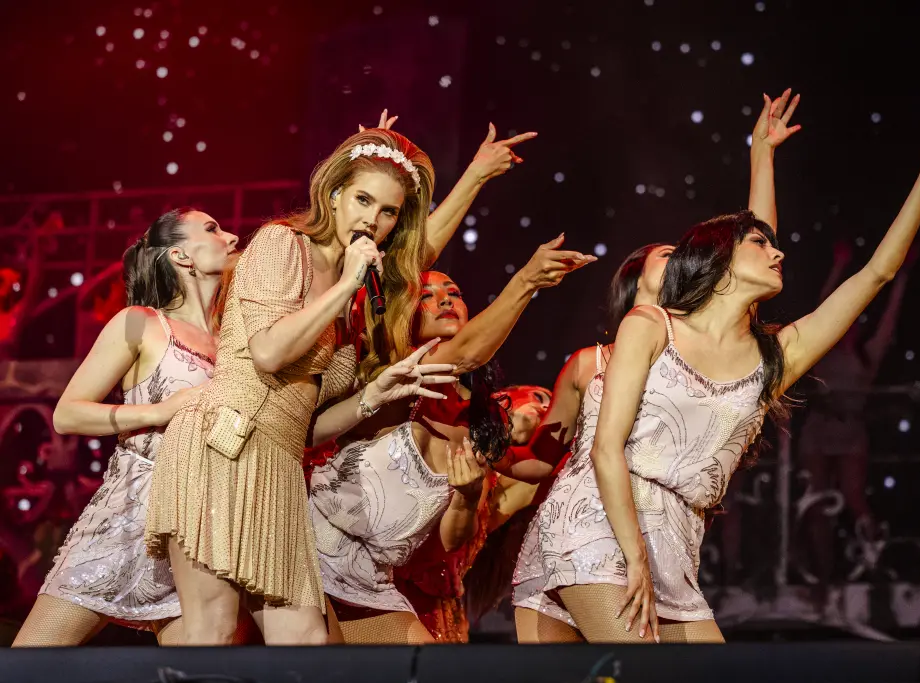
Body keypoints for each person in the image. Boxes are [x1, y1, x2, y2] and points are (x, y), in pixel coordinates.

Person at [514, 100, 920, 643]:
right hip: (601, 520)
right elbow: (605, 448)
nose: (779, 253)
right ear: (718, 263)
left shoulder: (774, 358)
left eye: (774, 245)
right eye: (762, 245)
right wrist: (635, 557)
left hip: (678, 537)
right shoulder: (650, 325)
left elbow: (876, 273)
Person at [143, 129, 458, 645]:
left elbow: (305, 426)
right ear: (333, 194)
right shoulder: (283, 244)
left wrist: (374, 394)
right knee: (212, 632)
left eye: (388, 211)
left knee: (308, 642)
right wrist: (345, 285)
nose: (372, 221)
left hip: (282, 470)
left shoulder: (354, 296)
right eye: (362, 200)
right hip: (224, 446)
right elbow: (269, 352)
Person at [510, 88, 802, 642]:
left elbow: (753, 249)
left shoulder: (700, 337)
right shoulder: (591, 362)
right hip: (590, 525)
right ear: (636, 279)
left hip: (671, 538)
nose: (686, 257)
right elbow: (549, 456)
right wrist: (490, 461)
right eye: (667, 254)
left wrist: (761, 156)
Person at [309, 246, 594, 644]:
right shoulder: (397, 374)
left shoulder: (480, 421)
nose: (444, 300)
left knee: (426, 668)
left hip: (369, 576)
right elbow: (463, 355)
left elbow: (534, 466)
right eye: (425, 296)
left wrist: (582, 385)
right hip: (311, 550)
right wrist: (527, 280)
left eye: (454, 293)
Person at [13, 209, 238, 646]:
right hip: (129, 514)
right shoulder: (140, 321)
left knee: (199, 671)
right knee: (31, 663)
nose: (230, 237)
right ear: (180, 255)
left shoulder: (233, 342)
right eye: (212, 229)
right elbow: (67, 414)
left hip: (198, 525)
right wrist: (158, 411)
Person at [797, 239, 916, 612]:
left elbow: (890, 319)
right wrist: (838, 266)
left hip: (849, 434)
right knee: (817, 504)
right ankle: (823, 576)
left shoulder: (867, 355)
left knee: (854, 499)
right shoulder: (823, 350)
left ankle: (875, 569)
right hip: (819, 432)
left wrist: (902, 277)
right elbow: (820, 310)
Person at [393, 385, 553, 642]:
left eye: (550, 408)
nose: (542, 408)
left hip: (430, 608)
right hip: (385, 584)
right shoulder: (451, 429)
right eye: (539, 398)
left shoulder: (520, 485)